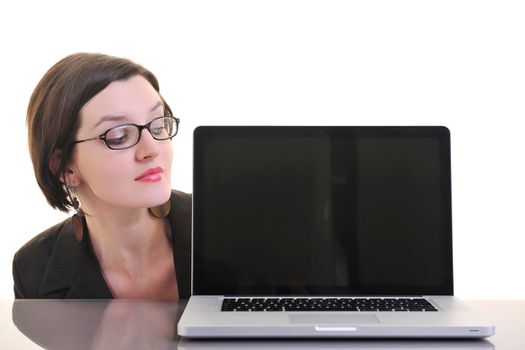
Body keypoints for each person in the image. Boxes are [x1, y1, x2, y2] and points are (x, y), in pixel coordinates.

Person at [12, 53, 191, 300]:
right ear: (65, 169)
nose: (152, 149)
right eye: (118, 136)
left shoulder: (231, 225)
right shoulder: (34, 270)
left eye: (158, 125)